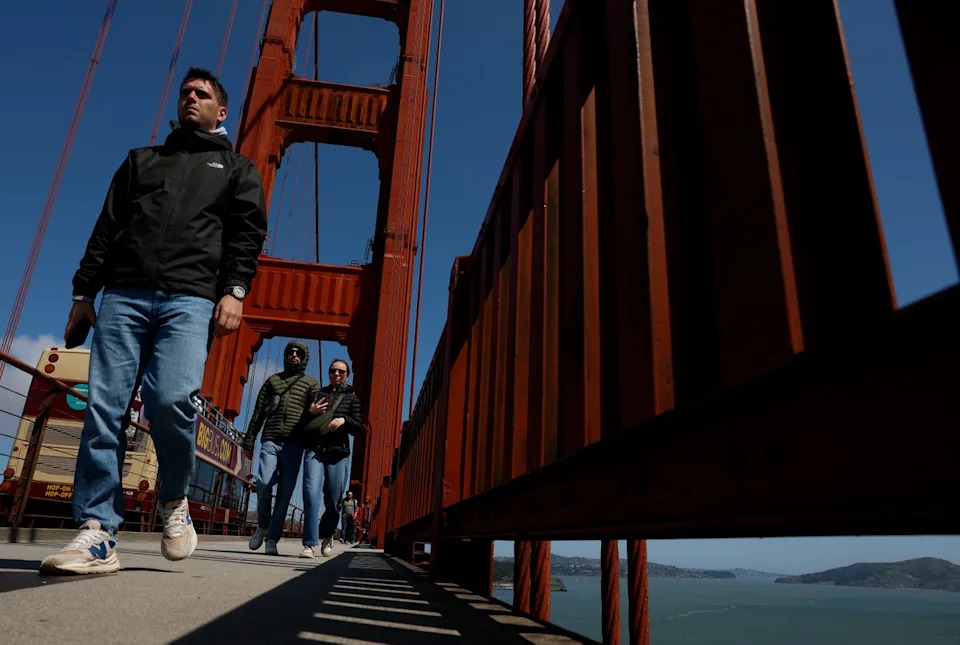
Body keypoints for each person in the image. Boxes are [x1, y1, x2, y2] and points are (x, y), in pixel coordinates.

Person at [41, 68, 267, 575]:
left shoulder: (236, 170)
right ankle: (98, 532)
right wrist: (83, 293)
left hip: (190, 299)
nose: (190, 97)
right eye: (185, 91)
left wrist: (234, 290)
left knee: (172, 400)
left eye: (202, 93)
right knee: (105, 407)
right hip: (123, 293)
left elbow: (246, 236)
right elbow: (107, 228)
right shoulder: (142, 160)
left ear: (221, 111)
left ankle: (174, 499)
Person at [242, 341, 324, 555]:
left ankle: (272, 539)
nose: (294, 355)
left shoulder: (311, 384)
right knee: (262, 482)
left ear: (304, 358)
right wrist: (249, 440)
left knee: (285, 494)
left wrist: (313, 414)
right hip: (270, 439)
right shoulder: (272, 381)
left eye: (298, 353)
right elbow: (259, 411)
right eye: (290, 352)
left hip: (294, 444)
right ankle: (263, 526)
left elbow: (316, 416)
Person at [298, 358, 364, 558]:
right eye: (332, 370)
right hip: (315, 450)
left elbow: (359, 428)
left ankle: (327, 535)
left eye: (341, 372)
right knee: (310, 494)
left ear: (347, 375)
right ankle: (309, 544)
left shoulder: (353, 399)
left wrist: (344, 419)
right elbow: (302, 423)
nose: (336, 374)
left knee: (334, 500)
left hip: (338, 453)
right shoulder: (318, 394)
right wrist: (310, 411)